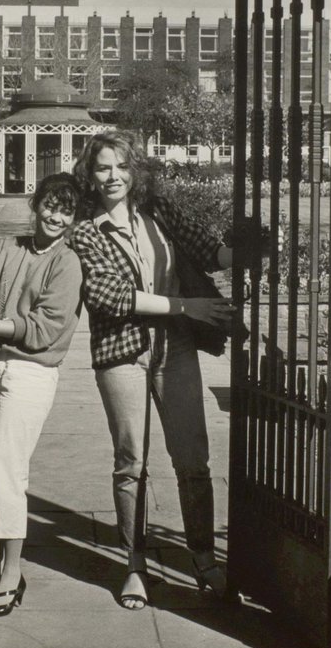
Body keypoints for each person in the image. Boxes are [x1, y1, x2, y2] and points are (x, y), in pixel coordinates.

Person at [71, 131, 262, 611]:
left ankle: (202, 559)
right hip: (123, 351)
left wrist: (252, 249)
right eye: (102, 168)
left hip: (174, 349)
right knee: (131, 461)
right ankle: (134, 565)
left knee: (193, 461)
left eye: (121, 167)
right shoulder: (85, 231)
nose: (113, 177)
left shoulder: (159, 214)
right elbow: (110, 298)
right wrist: (187, 306)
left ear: (135, 170)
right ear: (90, 176)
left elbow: (209, 252)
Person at [0, 172, 82, 618]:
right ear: (36, 203)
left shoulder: (67, 263)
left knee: (8, 470)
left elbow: (44, 330)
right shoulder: (10, 246)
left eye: (66, 210)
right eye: (50, 205)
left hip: (31, 372)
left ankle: (11, 574)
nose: (56, 216)